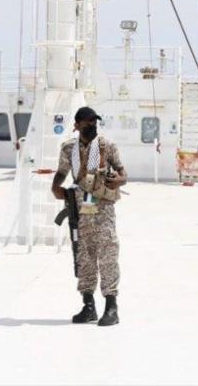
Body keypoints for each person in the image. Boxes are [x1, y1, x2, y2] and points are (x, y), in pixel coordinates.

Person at [51, 106, 127, 327]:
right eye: (87, 122)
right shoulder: (68, 149)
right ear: (77, 125)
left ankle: (111, 307)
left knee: (108, 254)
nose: (92, 125)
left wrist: (118, 180)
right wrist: (55, 185)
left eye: (95, 121)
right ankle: (88, 306)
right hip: (80, 208)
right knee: (84, 256)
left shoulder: (106, 146)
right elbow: (62, 171)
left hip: (102, 209)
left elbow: (124, 173)